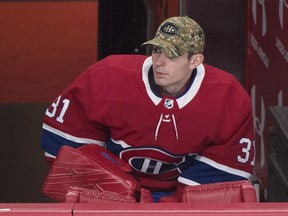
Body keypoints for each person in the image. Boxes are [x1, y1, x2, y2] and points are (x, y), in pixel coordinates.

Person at [41, 16, 255, 202]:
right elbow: (65, 140)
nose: (159, 62)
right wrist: (113, 193)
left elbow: (225, 173)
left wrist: (175, 207)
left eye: (172, 54)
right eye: (157, 50)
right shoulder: (108, 76)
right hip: (109, 197)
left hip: (179, 200)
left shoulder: (228, 98)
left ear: (195, 61)